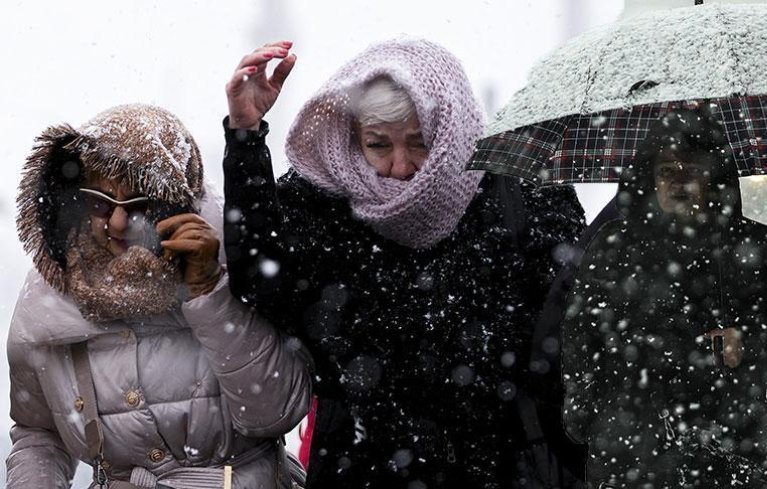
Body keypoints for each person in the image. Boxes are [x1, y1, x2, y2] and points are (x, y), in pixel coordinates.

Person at [222, 38, 587, 488]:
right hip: (362, 465)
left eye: (419, 143)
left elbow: (566, 325)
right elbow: (261, 281)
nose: (401, 167)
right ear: (354, 138)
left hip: (500, 464)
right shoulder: (325, 197)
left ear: (452, 128)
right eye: (378, 145)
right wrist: (245, 136)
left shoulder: (521, 189)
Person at [6, 104, 311, 488]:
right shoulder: (49, 295)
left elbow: (274, 414)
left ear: (177, 201)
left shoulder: (237, 264)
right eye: (99, 202)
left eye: (139, 205)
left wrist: (208, 291)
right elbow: (39, 434)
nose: (117, 222)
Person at [561, 108, 767, 488]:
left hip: (730, 459)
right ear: (649, 180)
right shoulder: (613, 249)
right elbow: (579, 336)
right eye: (667, 171)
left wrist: (748, 345)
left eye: (692, 169)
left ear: (714, 175)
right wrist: (584, 413)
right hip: (629, 461)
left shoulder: (762, 248)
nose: (679, 182)